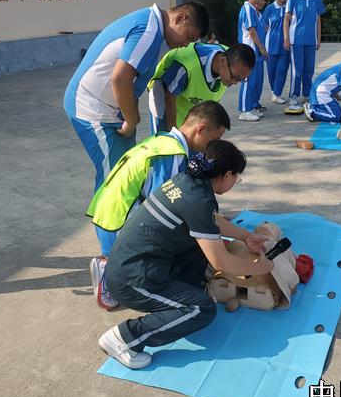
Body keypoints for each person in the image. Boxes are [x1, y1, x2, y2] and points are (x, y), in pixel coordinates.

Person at [99, 140, 274, 369]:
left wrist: (246, 236)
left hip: (134, 263)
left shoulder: (188, 181)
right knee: (201, 309)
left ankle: (182, 296)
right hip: (132, 280)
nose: (235, 182)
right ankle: (125, 338)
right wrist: (260, 268)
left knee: (202, 242)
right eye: (236, 178)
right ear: (227, 175)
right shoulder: (199, 200)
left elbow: (210, 222)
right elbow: (221, 261)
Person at [86, 101, 231, 310]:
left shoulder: (163, 140)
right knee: (190, 231)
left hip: (107, 217)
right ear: (201, 129)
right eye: (215, 139)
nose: (214, 146)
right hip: (118, 228)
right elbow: (164, 207)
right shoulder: (173, 154)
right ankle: (109, 270)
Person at [63, 1, 210, 192]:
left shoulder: (152, 27)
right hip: (92, 108)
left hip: (112, 110)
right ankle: (105, 213)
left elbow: (132, 80)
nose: (185, 45)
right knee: (114, 183)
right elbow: (120, 79)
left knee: (128, 173)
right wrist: (132, 120)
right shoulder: (149, 29)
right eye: (188, 37)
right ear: (180, 18)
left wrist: (130, 117)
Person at [147, 42, 255, 133]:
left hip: (190, 97)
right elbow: (169, 97)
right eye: (235, 77)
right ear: (223, 61)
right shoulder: (188, 66)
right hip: (164, 92)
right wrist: (173, 133)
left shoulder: (230, 61)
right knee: (165, 140)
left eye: (241, 79)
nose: (235, 82)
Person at [282, 0, 326, 111]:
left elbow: (318, 20)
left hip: (311, 41)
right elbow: (286, 19)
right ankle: (294, 96)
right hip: (296, 40)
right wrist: (286, 39)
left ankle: (307, 94)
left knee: (309, 70)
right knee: (297, 70)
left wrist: (318, 38)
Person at [237, 0, 268, 122]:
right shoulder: (247, 9)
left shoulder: (255, 11)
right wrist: (261, 48)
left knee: (256, 82)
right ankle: (244, 110)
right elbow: (252, 31)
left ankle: (251, 106)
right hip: (249, 51)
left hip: (257, 53)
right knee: (248, 81)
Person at [262, 0, 291, 104]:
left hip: (286, 46)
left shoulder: (290, 7)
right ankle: (274, 92)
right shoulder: (269, 9)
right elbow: (264, 27)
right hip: (271, 45)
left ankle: (277, 94)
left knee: (282, 71)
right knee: (271, 72)